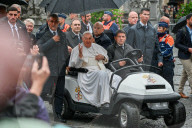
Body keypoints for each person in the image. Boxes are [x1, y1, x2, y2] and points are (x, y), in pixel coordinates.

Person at [69, 31, 121, 107]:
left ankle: (114, 99)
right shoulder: (77, 49)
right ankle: (105, 101)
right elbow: (74, 66)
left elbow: (106, 59)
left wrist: (102, 57)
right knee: (103, 74)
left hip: (100, 69)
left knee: (116, 78)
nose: (88, 40)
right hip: (87, 73)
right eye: (86, 39)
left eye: (90, 38)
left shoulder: (97, 47)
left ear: (92, 39)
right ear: (82, 39)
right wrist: (80, 57)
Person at [37, 14, 69, 122]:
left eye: (56, 21)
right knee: (44, 92)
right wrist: (52, 41)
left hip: (60, 68)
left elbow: (65, 51)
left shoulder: (62, 35)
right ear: (48, 22)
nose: (54, 23)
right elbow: (39, 48)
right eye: (52, 21)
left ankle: (58, 115)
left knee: (59, 93)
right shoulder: (43, 34)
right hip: (48, 69)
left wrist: (66, 64)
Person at [175, 13, 192, 98]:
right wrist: (187, 49)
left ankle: (180, 91)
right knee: (191, 72)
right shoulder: (181, 31)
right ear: (188, 20)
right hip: (184, 55)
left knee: (185, 73)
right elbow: (177, 44)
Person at [157, 22, 175, 90]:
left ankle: (172, 98)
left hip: (167, 61)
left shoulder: (169, 37)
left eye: (160, 28)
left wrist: (160, 56)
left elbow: (169, 50)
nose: (158, 29)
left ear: (164, 29)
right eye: (158, 28)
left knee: (169, 80)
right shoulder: (156, 37)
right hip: (159, 62)